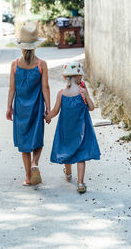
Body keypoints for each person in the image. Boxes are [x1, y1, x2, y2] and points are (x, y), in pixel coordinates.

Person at [45, 62, 100, 193]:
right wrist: (86, 91)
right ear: (80, 78)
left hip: (66, 129)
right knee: (80, 155)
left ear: (65, 78)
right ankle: (80, 183)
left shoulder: (61, 93)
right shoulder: (82, 92)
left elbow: (55, 111)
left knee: (66, 149)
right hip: (81, 129)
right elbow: (91, 108)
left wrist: (47, 117)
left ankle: (68, 174)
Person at [6, 22, 50, 186]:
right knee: (37, 139)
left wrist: (9, 107)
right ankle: (35, 164)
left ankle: (28, 177)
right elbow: (45, 88)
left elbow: (12, 89)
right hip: (37, 108)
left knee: (24, 143)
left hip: (20, 109)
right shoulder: (41, 65)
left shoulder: (15, 65)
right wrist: (48, 108)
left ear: (21, 46)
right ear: (36, 45)